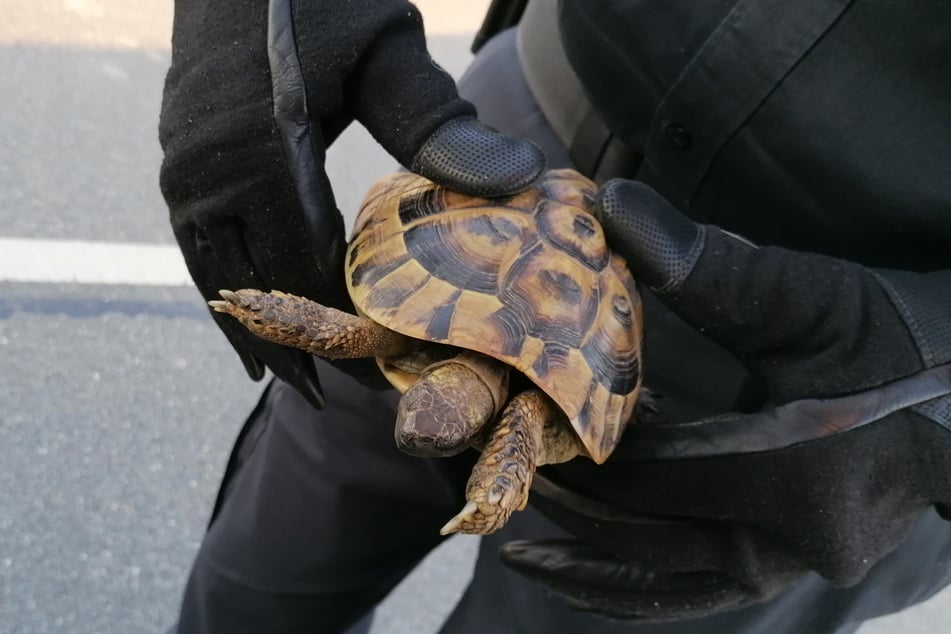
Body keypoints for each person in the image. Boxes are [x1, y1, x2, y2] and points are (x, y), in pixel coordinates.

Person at [158, 0, 951, 632]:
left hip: (825, 380)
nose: (417, 419)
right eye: (429, 418)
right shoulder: (399, 342)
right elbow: (353, 331)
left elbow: (507, 420)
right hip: (501, 161)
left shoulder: (523, 414)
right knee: (254, 592)